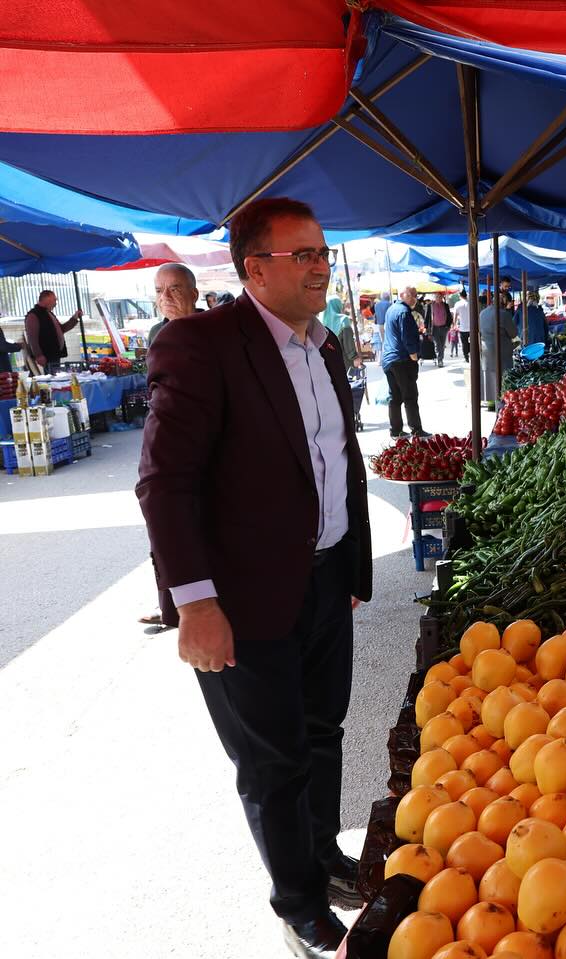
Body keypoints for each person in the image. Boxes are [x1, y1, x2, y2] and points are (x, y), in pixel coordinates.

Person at [135, 197, 373, 959]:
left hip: (325, 576)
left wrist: (350, 562)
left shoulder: (321, 345)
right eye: (301, 254)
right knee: (273, 759)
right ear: (253, 269)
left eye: (323, 252)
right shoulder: (202, 345)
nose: (319, 266)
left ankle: (324, 854)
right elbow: (164, 481)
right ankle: (298, 901)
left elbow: (337, 462)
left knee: (323, 731)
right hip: (241, 597)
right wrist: (195, 602)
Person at [139, 264, 202, 629]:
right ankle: (171, 606)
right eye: (160, 290)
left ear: (193, 293)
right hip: (166, 438)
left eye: (175, 289)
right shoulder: (157, 332)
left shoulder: (210, 330)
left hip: (202, 438)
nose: (166, 297)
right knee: (162, 524)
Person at [382, 287, 427, 438]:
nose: (415, 298)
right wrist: (414, 355)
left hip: (389, 359)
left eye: (415, 295)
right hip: (401, 359)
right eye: (412, 295)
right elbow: (406, 336)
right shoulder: (404, 312)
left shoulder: (391, 309)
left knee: (395, 396)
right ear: (403, 295)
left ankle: (395, 430)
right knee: (410, 395)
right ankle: (416, 429)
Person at [24, 290, 83, 373]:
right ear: (47, 300)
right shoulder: (33, 315)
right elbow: (32, 338)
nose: (56, 303)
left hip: (54, 354)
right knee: (51, 379)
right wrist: (39, 355)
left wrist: (74, 318)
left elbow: (61, 329)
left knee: (56, 378)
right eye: (54, 300)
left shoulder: (49, 314)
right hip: (46, 355)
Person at [477, 291, 518, 410]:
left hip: (485, 350)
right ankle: (501, 403)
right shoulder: (504, 315)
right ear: (503, 302)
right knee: (503, 376)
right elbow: (513, 333)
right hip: (501, 350)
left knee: (489, 374)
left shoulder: (482, 313)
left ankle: (490, 403)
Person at [146, 263, 201, 349]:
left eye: (173, 290)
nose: (164, 297)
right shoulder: (155, 332)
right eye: (159, 291)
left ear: (194, 295)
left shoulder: (213, 329)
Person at [426, 290, 452, 369]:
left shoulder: (445, 305)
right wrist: (427, 329)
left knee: (442, 345)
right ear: (434, 298)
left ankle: (441, 359)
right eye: (437, 297)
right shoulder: (430, 306)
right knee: (438, 345)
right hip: (435, 328)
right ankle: (440, 360)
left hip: (444, 328)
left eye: (440, 297)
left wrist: (448, 326)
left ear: (442, 298)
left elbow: (449, 317)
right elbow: (427, 318)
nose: (438, 298)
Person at [453, 289, 472, 363]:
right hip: (471, 328)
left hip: (462, 328)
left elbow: (455, 315)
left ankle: (466, 357)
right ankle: (471, 355)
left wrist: (454, 325)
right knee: (471, 343)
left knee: (464, 343)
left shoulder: (457, 304)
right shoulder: (470, 303)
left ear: (460, 295)